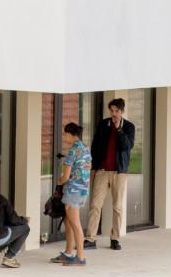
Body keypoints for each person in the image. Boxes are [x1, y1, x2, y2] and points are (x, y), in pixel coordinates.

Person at [83, 98, 136, 252]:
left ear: (122, 111)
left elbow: (127, 146)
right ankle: (90, 238)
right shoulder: (103, 124)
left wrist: (119, 129)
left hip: (119, 173)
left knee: (117, 207)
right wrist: (95, 165)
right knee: (95, 205)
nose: (114, 114)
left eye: (116, 111)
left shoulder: (129, 127)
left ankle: (115, 238)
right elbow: (95, 145)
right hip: (102, 171)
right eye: (111, 111)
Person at [51, 122, 91, 266]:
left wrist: (59, 181)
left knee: (75, 223)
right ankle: (68, 253)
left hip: (72, 191)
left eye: (65, 134)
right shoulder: (85, 148)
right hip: (83, 190)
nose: (64, 137)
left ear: (70, 134)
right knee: (68, 222)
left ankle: (80, 257)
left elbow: (65, 176)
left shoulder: (73, 151)